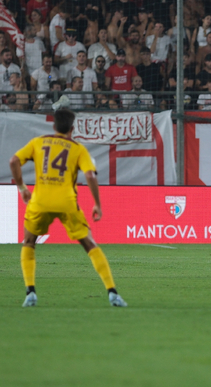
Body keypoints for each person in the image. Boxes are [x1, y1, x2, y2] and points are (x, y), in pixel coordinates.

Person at [8, 108, 128, 307]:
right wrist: (97, 204)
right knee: (89, 244)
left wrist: (22, 188)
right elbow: (90, 176)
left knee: (29, 242)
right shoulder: (78, 148)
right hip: (67, 202)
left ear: (54, 126)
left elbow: (13, 161)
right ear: (72, 129)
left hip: (40, 201)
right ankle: (112, 292)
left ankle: (30, 292)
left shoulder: (39, 142)